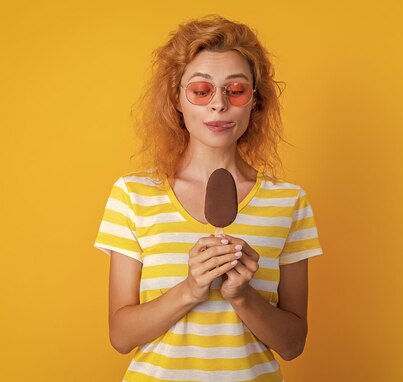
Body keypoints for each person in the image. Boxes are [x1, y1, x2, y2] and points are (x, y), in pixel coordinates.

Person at [94, 15, 323, 381]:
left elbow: (294, 344)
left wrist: (242, 295)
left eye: (236, 90)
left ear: (255, 102)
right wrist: (190, 289)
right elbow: (121, 337)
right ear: (178, 101)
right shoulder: (133, 196)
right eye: (201, 91)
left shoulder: (289, 203)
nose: (219, 105)